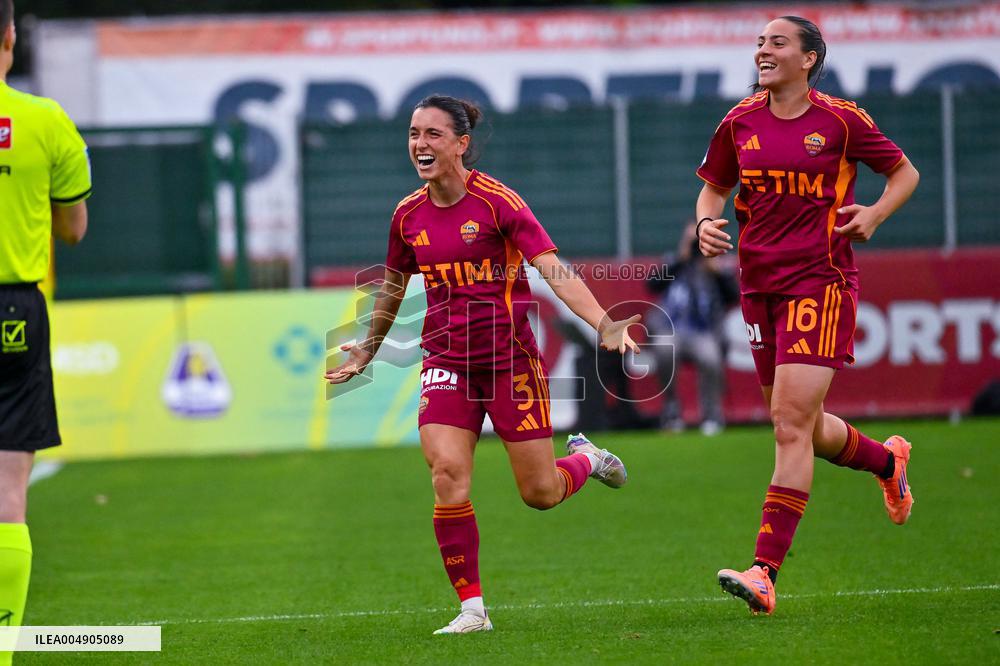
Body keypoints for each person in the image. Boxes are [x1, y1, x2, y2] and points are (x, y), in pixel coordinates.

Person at [325, 95, 640, 634]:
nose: (419, 145)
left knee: (540, 494)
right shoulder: (407, 215)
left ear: (461, 143)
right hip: (446, 359)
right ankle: (473, 609)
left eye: (432, 135)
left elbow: (553, 270)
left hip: (508, 361)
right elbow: (393, 289)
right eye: (413, 134)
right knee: (447, 473)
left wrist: (604, 322)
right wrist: (367, 347)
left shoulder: (498, 203)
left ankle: (587, 459)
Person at [694, 16, 920, 615]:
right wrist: (704, 223)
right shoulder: (739, 121)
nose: (762, 51)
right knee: (801, 423)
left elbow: (905, 173)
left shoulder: (841, 120)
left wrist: (873, 214)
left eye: (777, 43)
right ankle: (885, 460)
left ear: (809, 58)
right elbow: (713, 189)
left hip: (820, 283)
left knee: (789, 424)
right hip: (757, 286)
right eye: (760, 42)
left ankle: (764, 572)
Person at [0, 0, 90, 661]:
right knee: (8, 493)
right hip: (13, 312)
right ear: (9, 39)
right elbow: (73, 228)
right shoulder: (46, 120)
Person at [646, 222, 738, 435]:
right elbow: (652, 285)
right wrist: (682, 258)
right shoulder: (675, 262)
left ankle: (712, 415)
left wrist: (716, 272)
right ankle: (672, 412)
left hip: (702, 332)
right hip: (673, 329)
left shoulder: (715, 266)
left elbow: (734, 297)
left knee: (711, 357)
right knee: (663, 347)